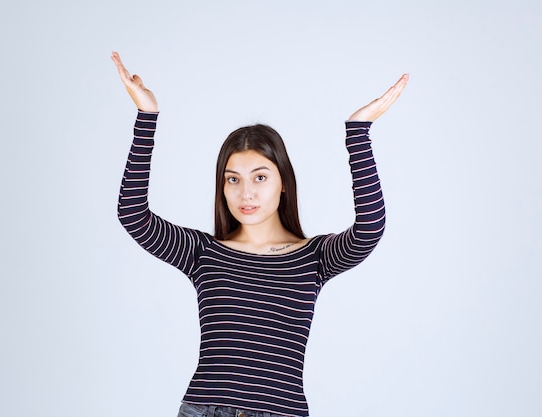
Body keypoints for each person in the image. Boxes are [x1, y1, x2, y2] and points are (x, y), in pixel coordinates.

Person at [112, 51, 408, 417]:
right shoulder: (202, 252)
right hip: (205, 409)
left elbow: (369, 230)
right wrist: (147, 116)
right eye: (233, 179)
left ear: (283, 183)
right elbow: (133, 214)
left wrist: (357, 132)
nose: (245, 193)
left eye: (260, 177)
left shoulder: (313, 257)